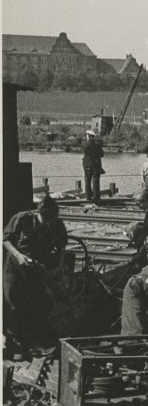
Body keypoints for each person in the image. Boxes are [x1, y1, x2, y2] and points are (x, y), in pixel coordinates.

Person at [3, 195, 67, 355]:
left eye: (51, 219)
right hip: (15, 266)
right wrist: (19, 256)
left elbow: (61, 246)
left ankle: (34, 340)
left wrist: (59, 265)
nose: (48, 223)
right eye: (45, 218)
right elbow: (5, 240)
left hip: (36, 267)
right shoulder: (22, 219)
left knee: (36, 303)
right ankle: (13, 341)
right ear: (39, 213)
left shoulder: (56, 224)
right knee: (12, 301)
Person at [82, 129, 104, 203]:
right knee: (95, 181)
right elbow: (102, 154)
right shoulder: (98, 144)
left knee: (87, 181)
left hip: (87, 165)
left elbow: (85, 150)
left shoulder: (84, 144)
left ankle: (88, 196)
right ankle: (96, 197)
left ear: (88, 136)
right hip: (95, 165)